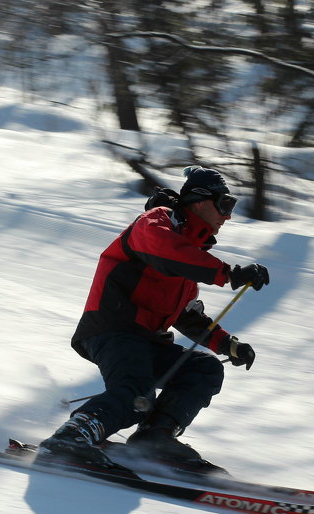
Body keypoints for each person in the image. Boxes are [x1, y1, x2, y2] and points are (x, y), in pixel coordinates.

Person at [39, 166, 270, 470]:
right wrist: (229, 274)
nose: (228, 216)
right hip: (113, 328)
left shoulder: (188, 252)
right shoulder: (157, 223)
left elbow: (186, 313)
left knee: (203, 370)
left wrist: (228, 344)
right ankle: (73, 435)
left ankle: (155, 436)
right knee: (137, 391)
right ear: (200, 201)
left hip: (146, 339)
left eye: (232, 207)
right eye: (225, 205)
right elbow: (165, 248)